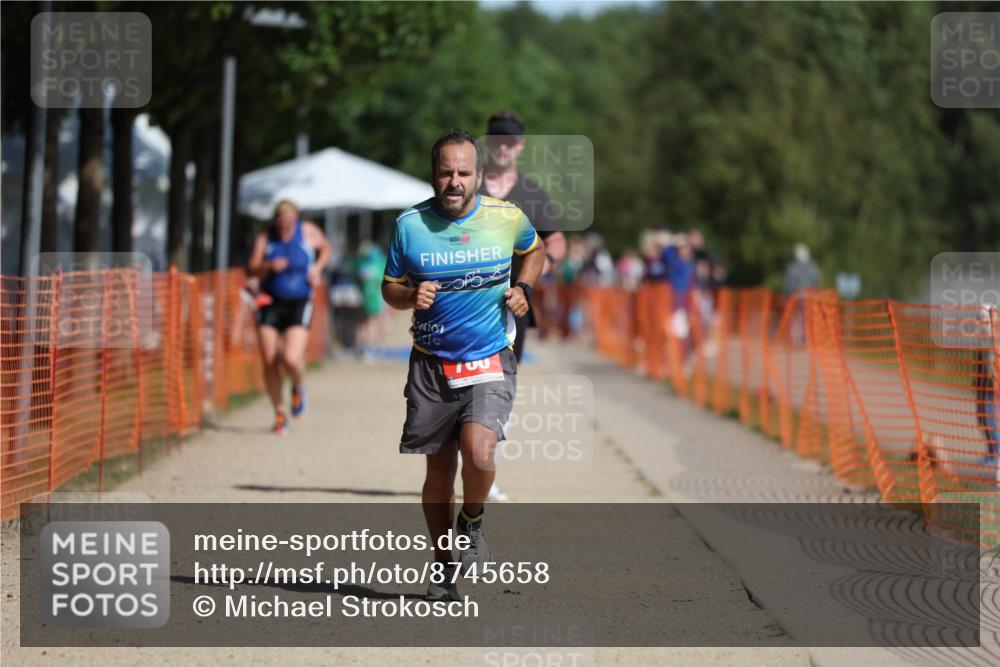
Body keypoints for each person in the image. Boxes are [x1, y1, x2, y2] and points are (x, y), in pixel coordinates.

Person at [382, 129, 545, 601]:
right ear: (433, 174)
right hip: (431, 365)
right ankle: (443, 566)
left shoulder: (505, 216)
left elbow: (534, 251)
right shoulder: (409, 225)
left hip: (489, 357)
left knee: (478, 453)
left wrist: (525, 289)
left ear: (478, 176)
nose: (454, 181)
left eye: (463, 173)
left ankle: (472, 520)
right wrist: (410, 295)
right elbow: (388, 288)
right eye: (446, 172)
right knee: (437, 474)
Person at [479, 109, 566, 502]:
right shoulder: (468, 187)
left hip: (513, 309)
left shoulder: (531, 193)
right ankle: (461, 465)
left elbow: (557, 241)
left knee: (502, 388)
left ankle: (484, 470)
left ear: (520, 146)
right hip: (466, 305)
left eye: (509, 141)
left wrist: (536, 272)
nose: (502, 147)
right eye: (496, 140)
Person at [248, 200, 332, 435]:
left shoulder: (307, 231)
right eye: (280, 222)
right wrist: (267, 266)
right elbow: (252, 266)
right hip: (269, 303)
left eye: (288, 222)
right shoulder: (266, 238)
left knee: (291, 359)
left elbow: (326, 248)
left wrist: (317, 268)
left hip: (299, 302)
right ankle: (280, 414)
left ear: (295, 220)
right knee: (269, 359)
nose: (284, 227)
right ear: (275, 220)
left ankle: (296, 386)